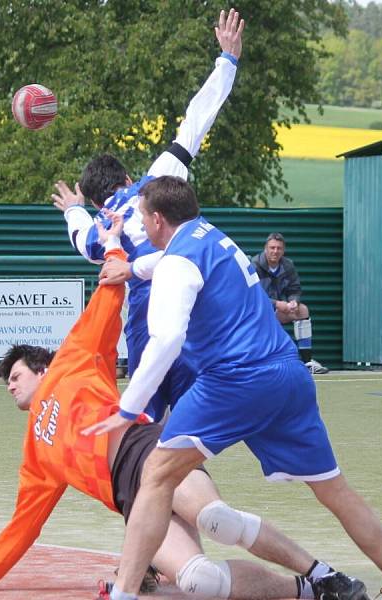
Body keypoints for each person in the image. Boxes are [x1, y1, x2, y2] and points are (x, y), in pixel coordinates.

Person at [0, 215, 370, 600]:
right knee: (200, 581)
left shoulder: (71, 360)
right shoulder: (36, 453)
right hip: (129, 498)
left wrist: (112, 242)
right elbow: (25, 521)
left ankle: (323, 572)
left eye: (15, 376)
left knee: (217, 520)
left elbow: (107, 299)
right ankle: (306, 591)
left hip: (149, 451)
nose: (11, 387)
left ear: (41, 368)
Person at [85, 176, 382, 600]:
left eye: (141, 217)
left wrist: (128, 407)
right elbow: (167, 262)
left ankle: (123, 593)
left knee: (156, 475)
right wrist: (131, 268)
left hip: (234, 381)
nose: (140, 224)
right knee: (333, 490)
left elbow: (167, 340)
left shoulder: (177, 264)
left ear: (157, 220)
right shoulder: (210, 234)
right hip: (288, 375)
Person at [51, 8, 245, 422]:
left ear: (95, 198)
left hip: (147, 325)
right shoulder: (155, 181)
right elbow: (195, 123)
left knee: (148, 432)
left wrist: (72, 209)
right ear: (126, 175)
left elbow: (82, 239)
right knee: (193, 430)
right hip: (194, 319)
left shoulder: (104, 230)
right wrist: (226, 62)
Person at [251, 232, 329, 374]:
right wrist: (276, 304)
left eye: (279, 248)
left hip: (279, 310)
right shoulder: (254, 265)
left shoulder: (288, 265)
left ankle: (307, 361)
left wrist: (294, 301)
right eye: (272, 247)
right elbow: (254, 296)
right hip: (256, 314)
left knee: (302, 310)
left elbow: (295, 289)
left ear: (283, 250)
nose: (275, 251)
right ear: (265, 248)